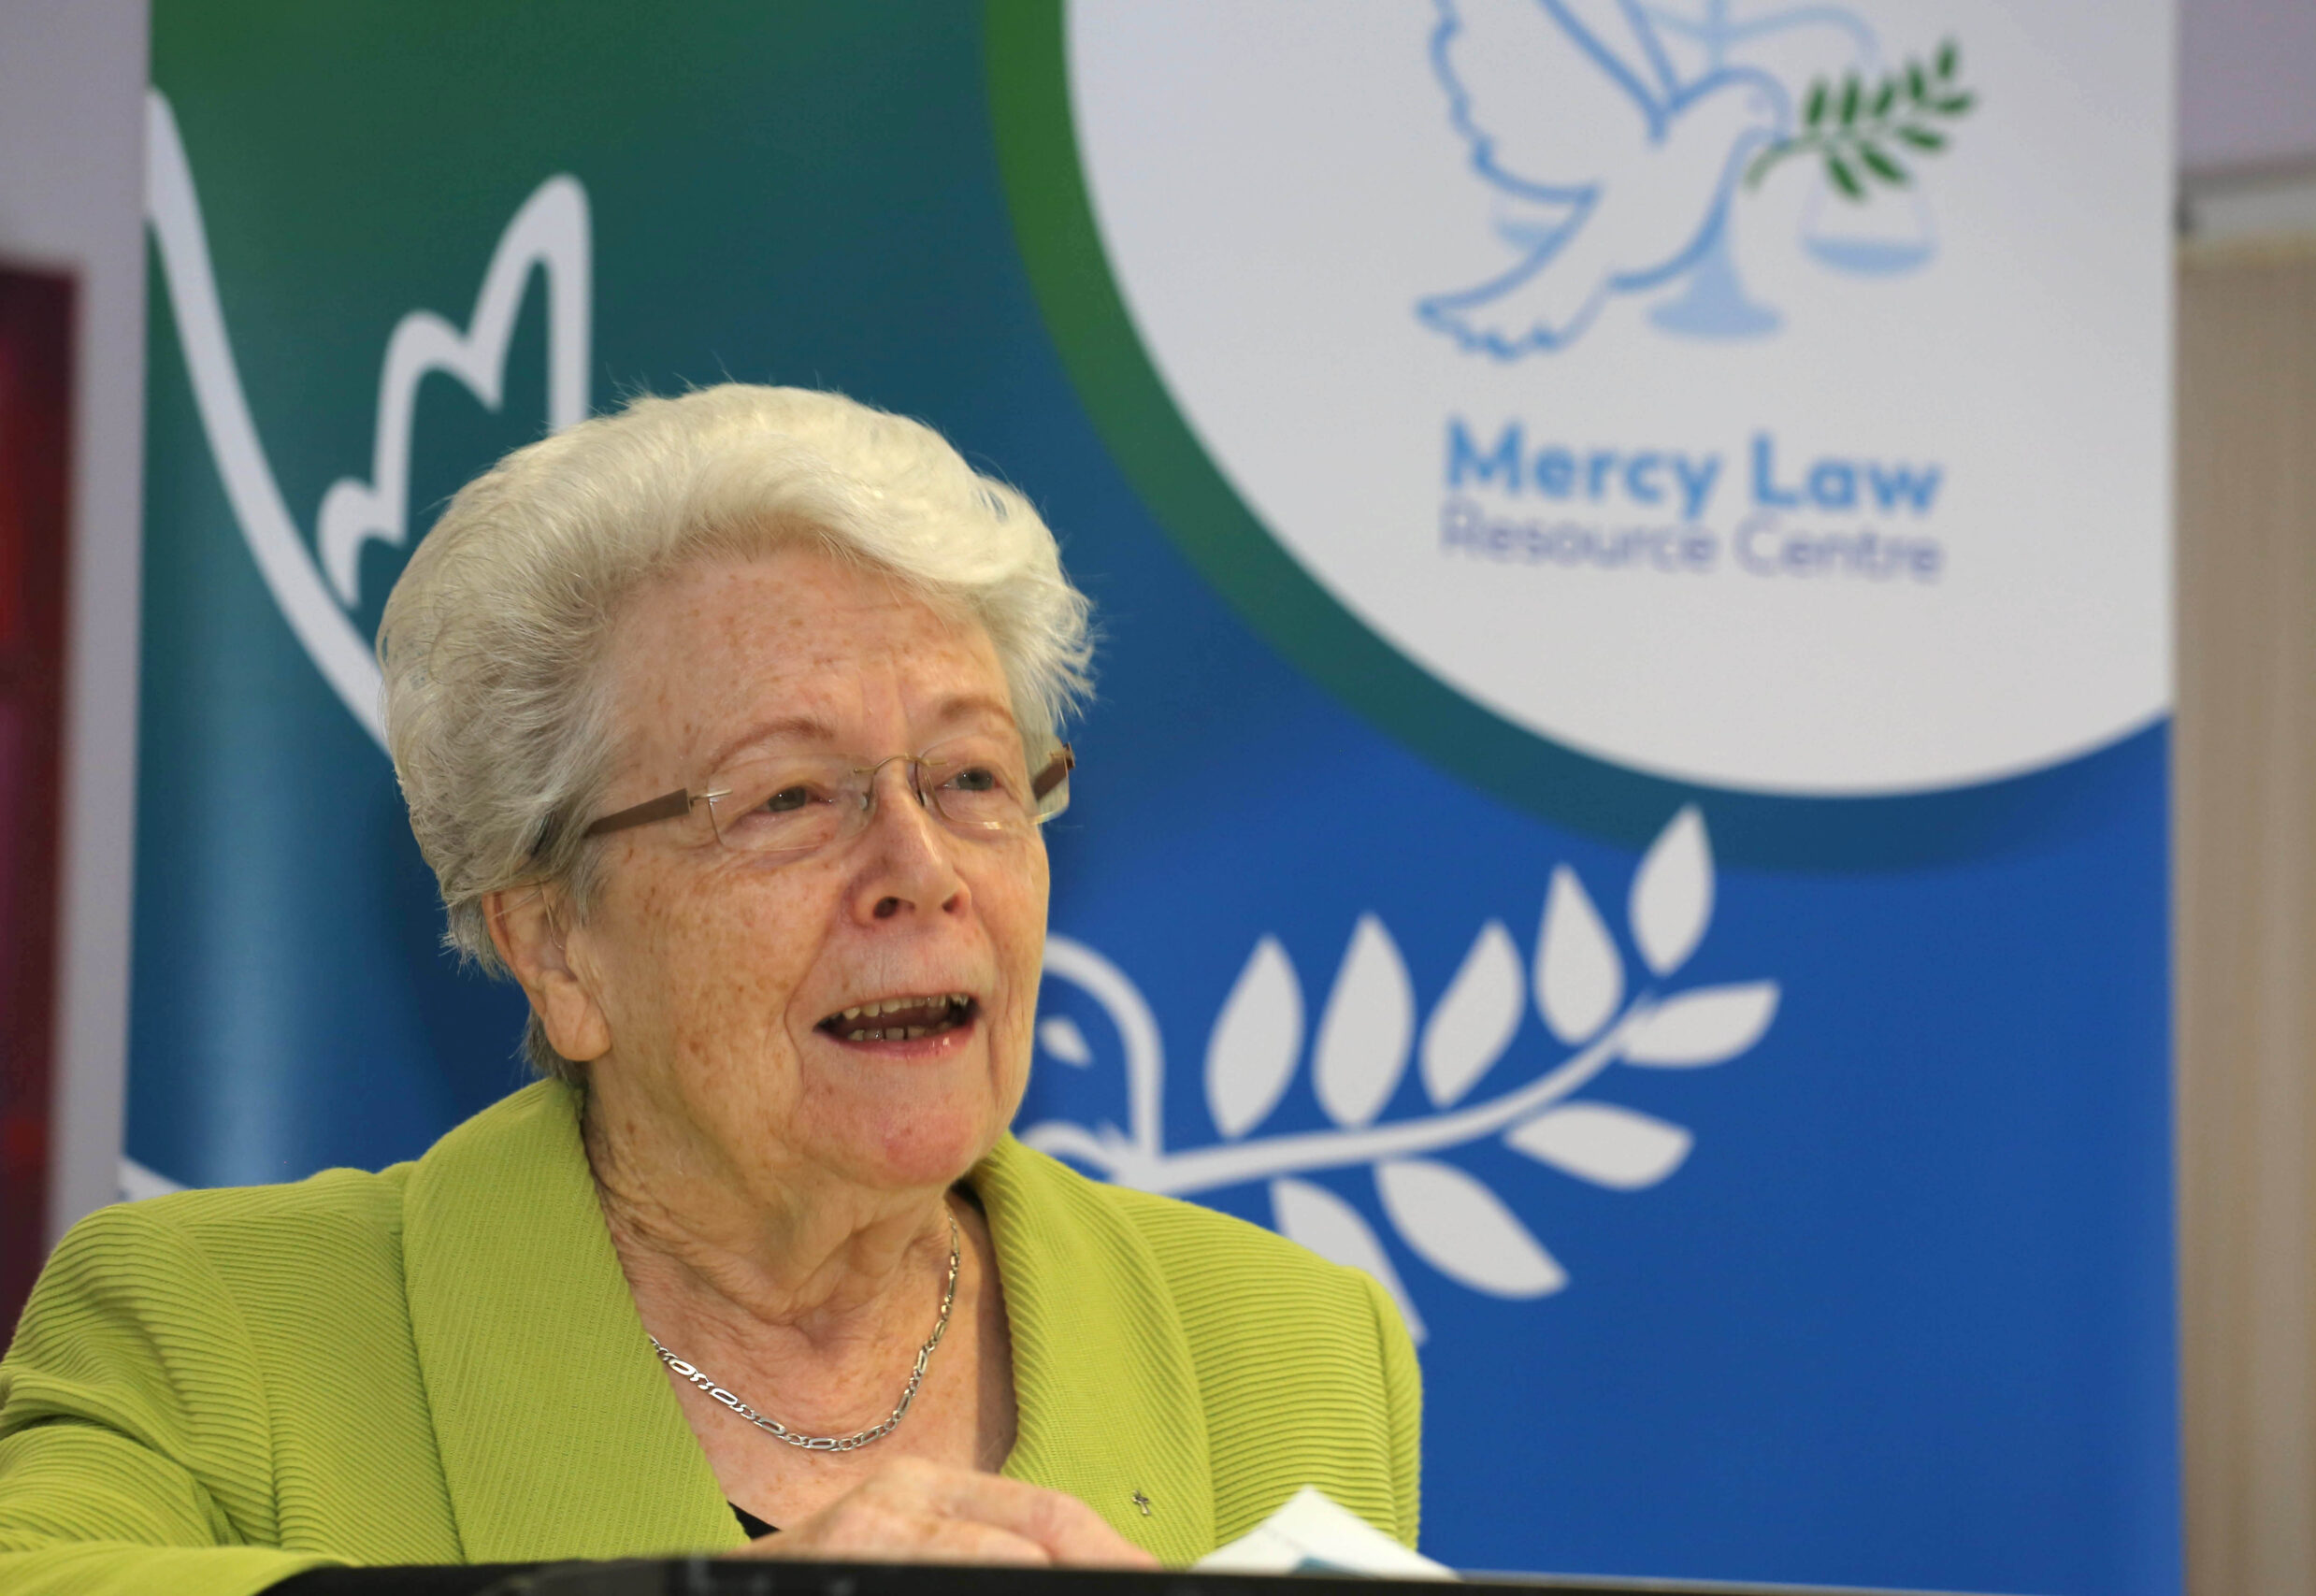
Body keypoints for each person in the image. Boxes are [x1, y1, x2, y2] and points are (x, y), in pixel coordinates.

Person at [0, 386, 1420, 1593]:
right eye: (789, 797)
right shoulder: (216, 1338)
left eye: (972, 776)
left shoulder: (1288, 1354)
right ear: (557, 946)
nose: (920, 870)